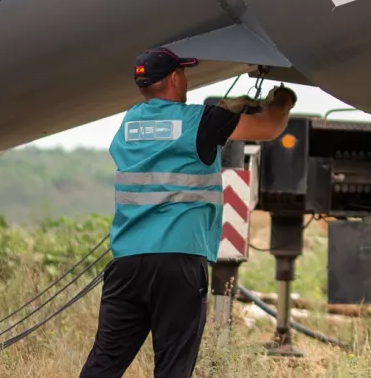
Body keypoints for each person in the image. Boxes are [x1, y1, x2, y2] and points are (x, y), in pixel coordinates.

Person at [79, 49, 297, 378]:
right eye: (183, 73)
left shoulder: (129, 123)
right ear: (174, 78)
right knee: (173, 367)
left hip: (126, 265)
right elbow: (269, 127)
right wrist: (283, 100)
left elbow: (172, 135)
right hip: (177, 263)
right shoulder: (199, 120)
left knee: (104, 363)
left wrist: (225, 112)